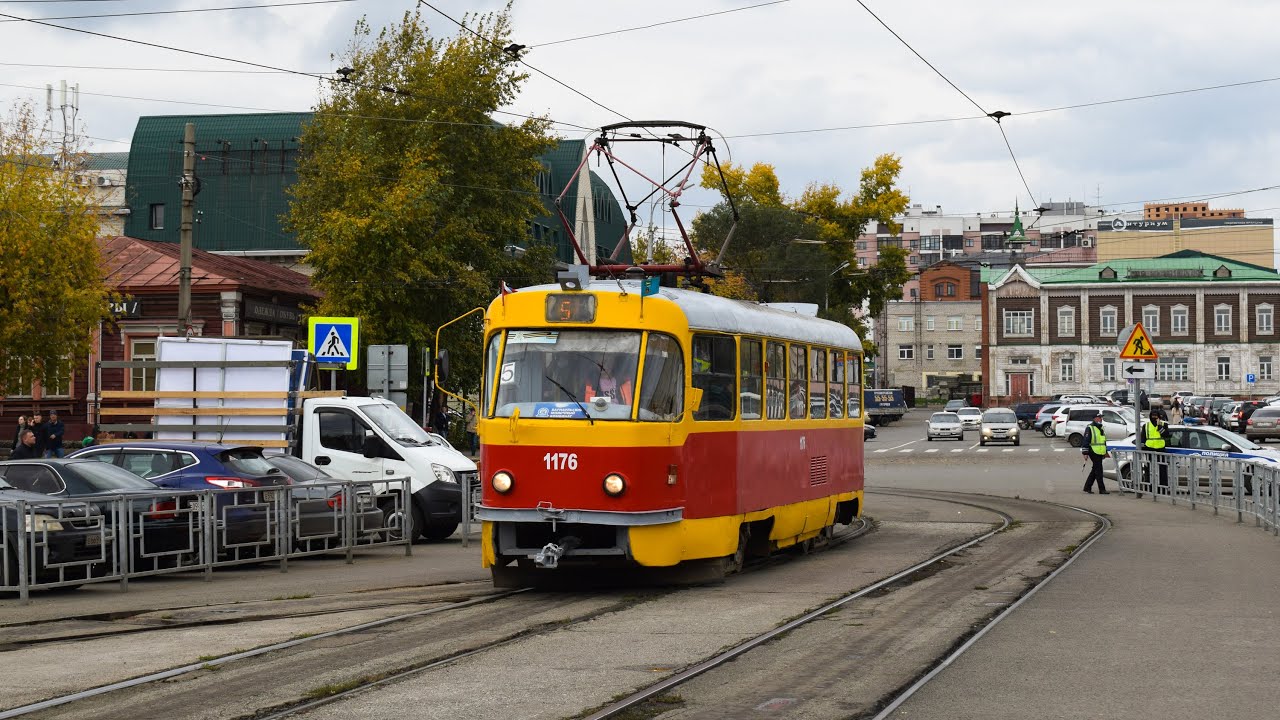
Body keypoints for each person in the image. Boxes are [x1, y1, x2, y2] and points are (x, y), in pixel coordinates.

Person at [1141, 409, 1170, 496]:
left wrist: (1159, 427)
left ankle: (1163, 489)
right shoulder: (1146, 426)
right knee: (1149, 470)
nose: (1154, 418)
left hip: (1160, 449)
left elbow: (1166, 435)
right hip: (1149, 449)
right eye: (1153, 416)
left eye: (1156, 416)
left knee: (1162, 470)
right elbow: (1143, 439)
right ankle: (1150, 488)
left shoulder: (1163, 424)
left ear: (1159, 416)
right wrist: (1144, 450)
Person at [1082, 411, 1110, 494]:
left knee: (1095, 470)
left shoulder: (1101, 427)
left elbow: (1103, 441)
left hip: (1100, 451)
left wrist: (1105, 452)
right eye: (1099, 417)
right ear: (1095, 418)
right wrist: (1085, 453)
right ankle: (1102, 489)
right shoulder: (1090, 428)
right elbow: (1086, 440)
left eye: (1101, 417)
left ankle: (1087, 487)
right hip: (1093, 451)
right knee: (1099, 471)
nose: (1101, 419)